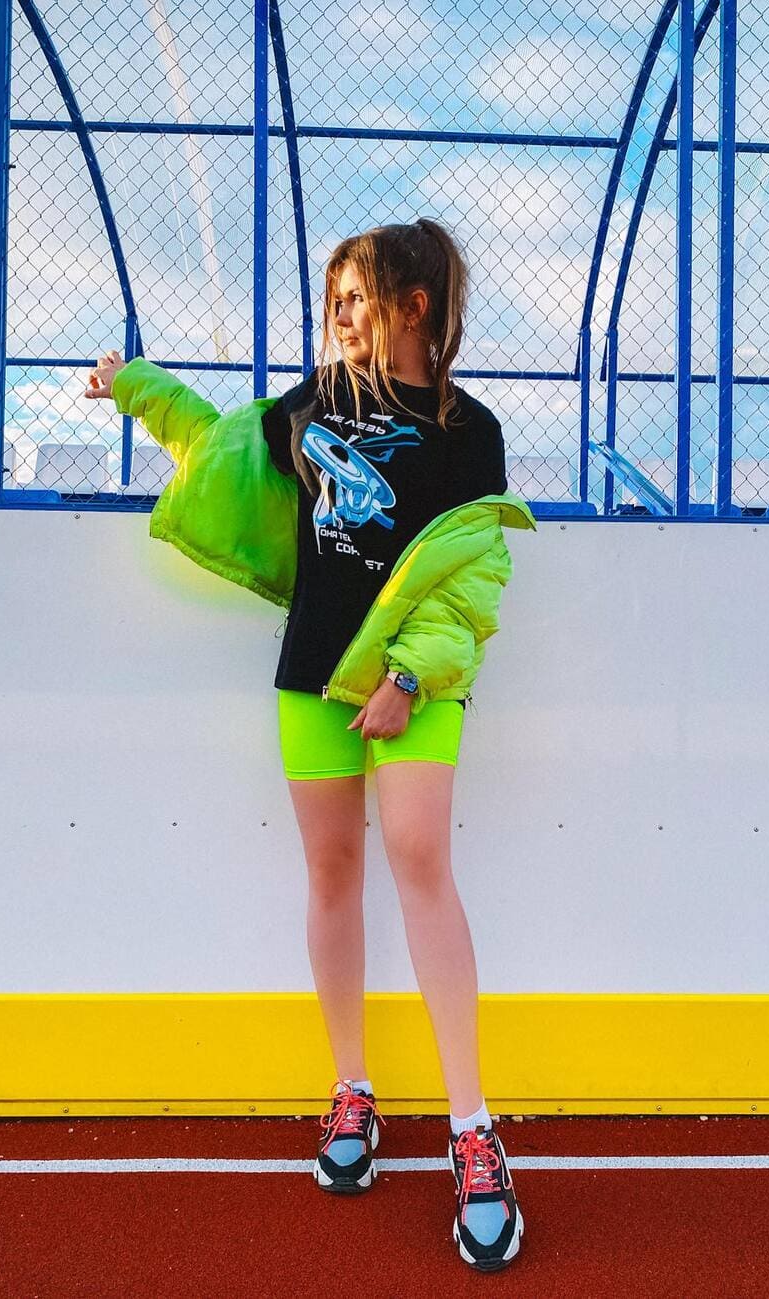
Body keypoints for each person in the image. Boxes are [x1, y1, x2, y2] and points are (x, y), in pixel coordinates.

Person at [84, 216, 534, 1273]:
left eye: (353, 297)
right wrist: (137, 386)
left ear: (413, 306)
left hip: (414, 682)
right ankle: (352, 1090)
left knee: (419, 859)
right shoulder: (315, 402)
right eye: (331, 299)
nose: (337, 315)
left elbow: (474, 577)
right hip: (311, 675)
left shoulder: (469, 431)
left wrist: (408, 677)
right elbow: (220, 444)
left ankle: (473, 1132)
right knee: (332, 873)